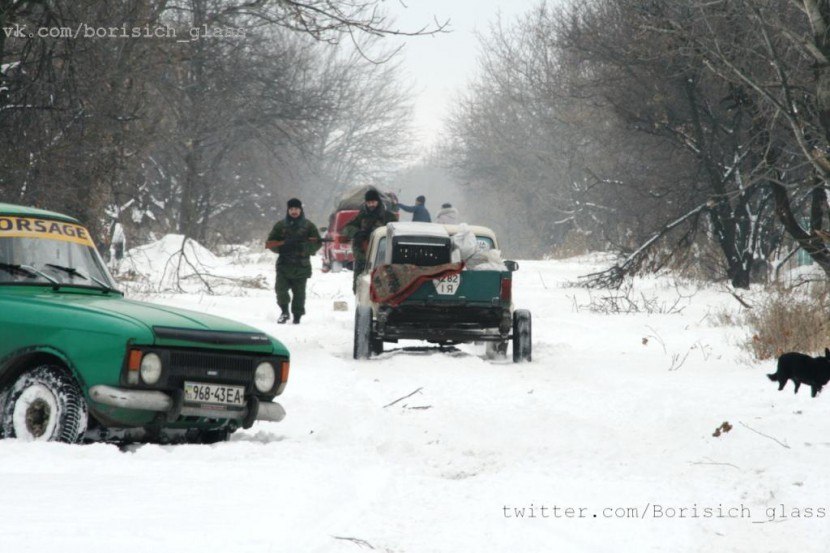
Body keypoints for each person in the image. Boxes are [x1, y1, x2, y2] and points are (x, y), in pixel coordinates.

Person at [265, 198, 322, 324]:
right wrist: (282, 247)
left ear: (300, 210)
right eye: (291, 209)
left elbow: (317, 243)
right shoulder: (280, 225)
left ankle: (297, 316)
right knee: (280, 290)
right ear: (288, 210)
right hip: (284, 265)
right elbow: (270, 243)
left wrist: (304, 248)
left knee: (299, 294)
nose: (294, 211)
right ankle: (284, 312)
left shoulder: (309, 226)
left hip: (301, 265)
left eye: (296, 209)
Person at [342, 188, 398, 292]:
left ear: (378, 201)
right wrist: (357, 233)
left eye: (373, 202)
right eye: (368, 202)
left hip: (381, 258)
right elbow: (347, 228)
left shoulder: (388, 217)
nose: (371, 205)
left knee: (381, 288)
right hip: (362, 257)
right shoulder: (362, 215)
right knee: (359, 288)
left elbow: (396, 232)